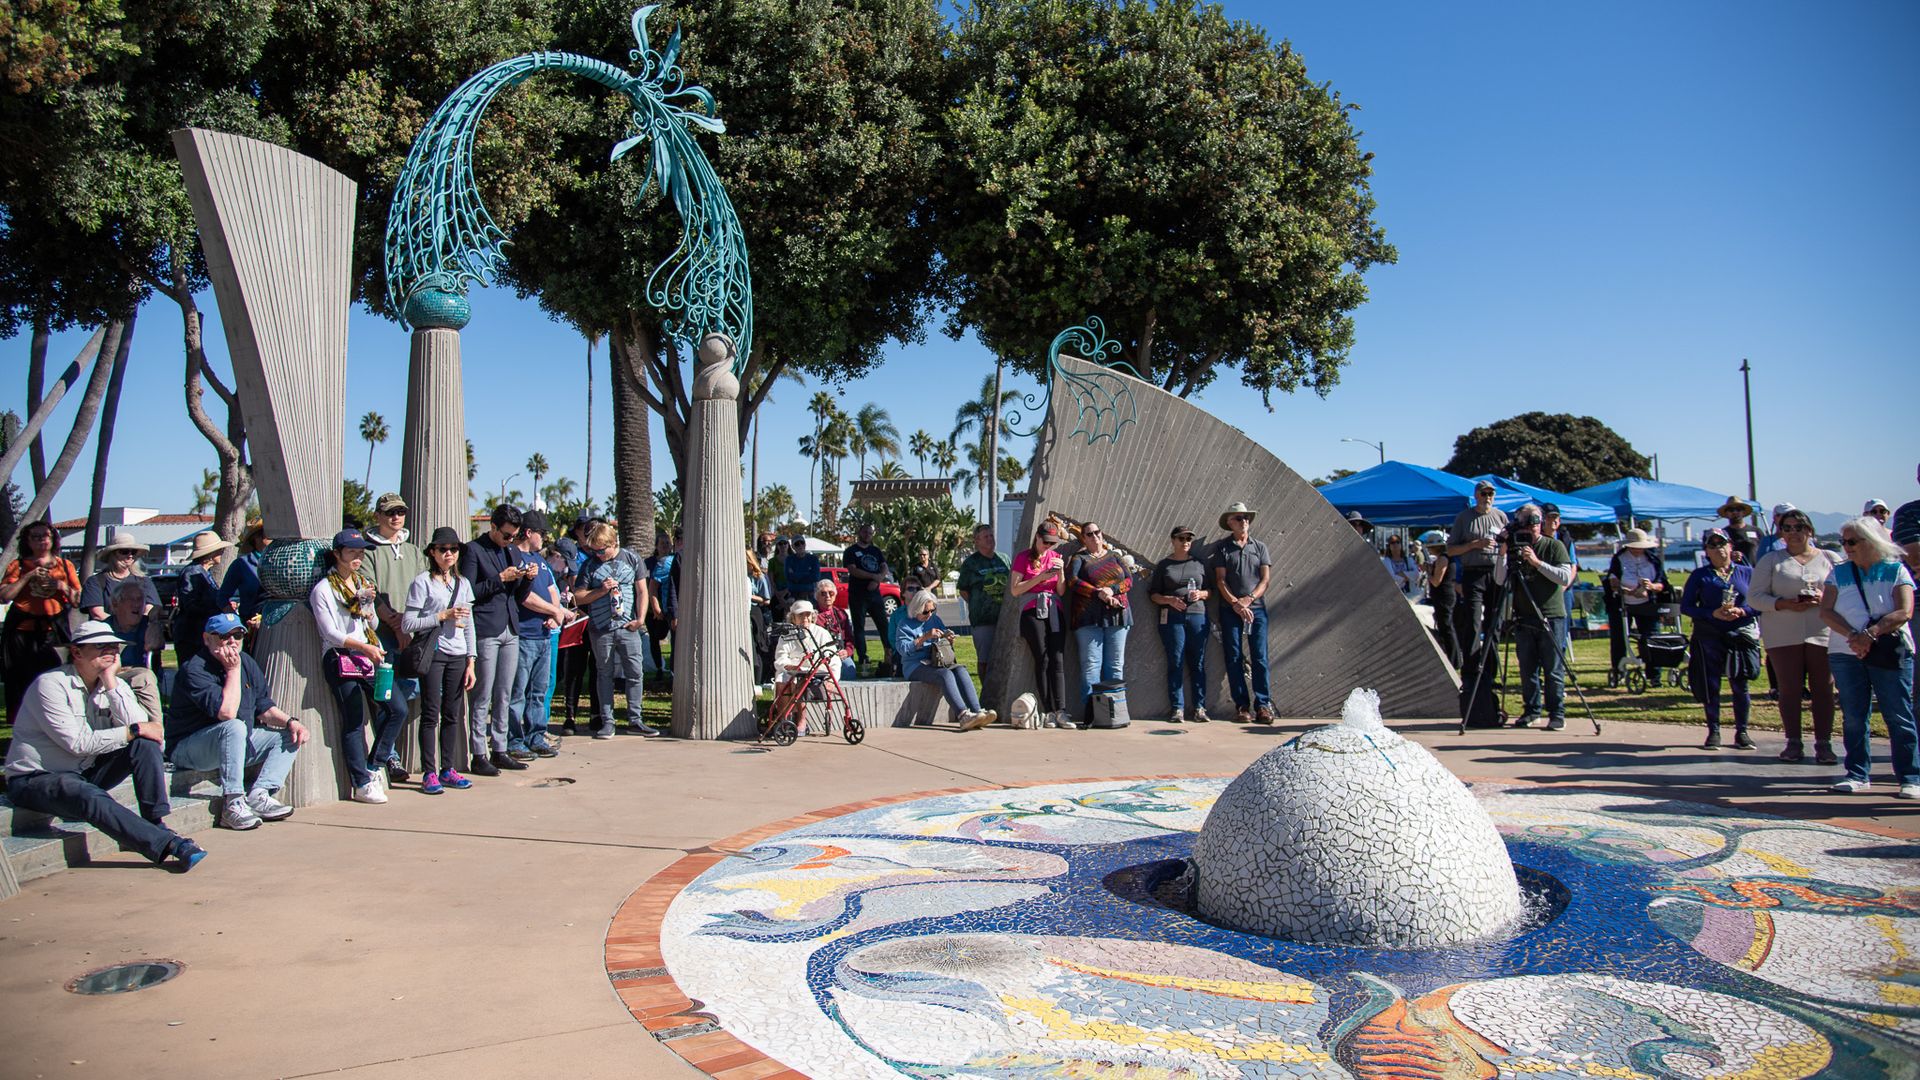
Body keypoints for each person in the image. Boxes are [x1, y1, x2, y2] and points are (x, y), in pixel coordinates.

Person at [6, 621, 205, 872]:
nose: (111, 652)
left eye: (115, 646)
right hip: (36, 778)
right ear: (77, 652)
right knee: (87, 793)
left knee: (143, 745)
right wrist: (132, 731)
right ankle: (171, 845)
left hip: (83, 771)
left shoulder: (113, 684)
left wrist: (112, 684)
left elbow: (146, 732)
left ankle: (155, 821)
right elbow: (77, 743)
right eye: (102, 647)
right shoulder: (51, 685)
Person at [167, 613, 310, 828]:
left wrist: (291, 721)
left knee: (290, 735)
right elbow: (227, 713)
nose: (233, 641)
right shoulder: (195, 669)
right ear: (207, 638)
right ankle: (232, 804)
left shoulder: (246, 662)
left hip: (233, 742)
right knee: (234, 726)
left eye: (238, 634)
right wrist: (232, 670)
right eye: (225, 636)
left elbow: (263, 706)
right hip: (188, 748)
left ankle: (260, 794)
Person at [1818, 517, 1916, 798]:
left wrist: (1870, 635)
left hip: (1889, 650)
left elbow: (1903, 612)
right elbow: (1826, 611)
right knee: (1853, 716)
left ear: (1871, 541)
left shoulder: (1896, 571)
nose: (1846, 548)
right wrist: (1853, 636)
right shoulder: (1838, 573)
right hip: (1846, 652)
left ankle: (1910, 776)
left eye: (1851, 542)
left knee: (1898, 714)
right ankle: (1857, 773)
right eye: (1843, 542)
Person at [1750, 507, 1843, 763]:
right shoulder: (1771, 560)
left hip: (1822, 631)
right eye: (1787, 528)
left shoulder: (1831, 558)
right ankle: (1793, 743)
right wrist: (1783, 603)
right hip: (1782, 632)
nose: (1792, 533)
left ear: (1809, 530)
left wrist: (1825, 598)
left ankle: (1824, 744)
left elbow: (1846, 592)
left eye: (1798, 528)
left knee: (1824, 688)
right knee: (1789, 689)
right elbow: (1754, 597)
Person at [309, 529, 392, 802]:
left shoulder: (362, 584)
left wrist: (367, 607)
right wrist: (363, 647)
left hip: (369, 657)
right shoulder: (324, 589)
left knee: (396, 707)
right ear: (337, 554)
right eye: (351, 552)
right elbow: (330, 633)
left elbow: (372, 624)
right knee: (354, 719)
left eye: (360, 552)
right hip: (340, 657)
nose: (357, 557)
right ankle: (361, 782)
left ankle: (374, 764)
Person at [404, 527, 478, 793]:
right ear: (432, 552)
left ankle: (448, 768)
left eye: (453, 549)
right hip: (433, 652)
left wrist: (471, 660)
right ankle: (429, 772)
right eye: (443, 549)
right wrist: (440, 616)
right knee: (430, 713)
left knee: (452, 713)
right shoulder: (422, 582)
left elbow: (469, 624)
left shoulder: (464, 583)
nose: (448, 554)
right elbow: (408, 623)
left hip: (458, 654)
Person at [1493, 506, 1576, 730]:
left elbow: (1564, 577)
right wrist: (1503, 551)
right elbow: (1500, 580)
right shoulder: (1514, 548)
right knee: (1527, 669)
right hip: (1524, 616)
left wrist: (1537, 562)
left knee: (1553, 668)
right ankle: (1531, 711)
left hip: (1551, 615)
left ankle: (1557, 713)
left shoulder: (1554, 545)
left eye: (1535, 523)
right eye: (1526, 524)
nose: (1532, 528)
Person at [1680, 528, 1763, 751]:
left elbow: (1759, 603)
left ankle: (1742, 732)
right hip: (1709, 634)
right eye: (1712, 545)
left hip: (1739, 634)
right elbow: (1686, 606)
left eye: (1722, 544)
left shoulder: (1747, 572)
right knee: (1711, 683)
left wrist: (1743, 611)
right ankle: (1713, 731)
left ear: (1730, 547)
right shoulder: (1700, 575)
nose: (1718, 549)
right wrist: (1710, 613)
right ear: (1706, 551)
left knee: (1740, 684)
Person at [461, 504, 529, 774]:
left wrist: (526, 579)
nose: (510, 540)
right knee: (482, 694)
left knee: (504, 692)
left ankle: (499, 748)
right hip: (486, 627)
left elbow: (518, 595)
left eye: (514, 535)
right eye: (506, 535)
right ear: (493, 527)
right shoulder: (473, 550)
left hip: (511, 627)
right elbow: (469, 591)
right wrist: (500, 578)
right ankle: (479, 752)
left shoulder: (512, 550)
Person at [363, 493, 425, 784]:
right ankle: (386, 756)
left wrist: (412, 626)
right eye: (389, 513)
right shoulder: (368, 552)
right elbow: (370, 595)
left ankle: (391, 752)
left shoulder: (414, 552)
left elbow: (424, 589)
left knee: (409, 693)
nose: (396, 517)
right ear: (378, 516)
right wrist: (397, 625)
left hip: (413, 636)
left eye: (400, 511)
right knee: (387, 699)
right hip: (382, 639)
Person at [573, 522, 655, 740]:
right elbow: (578, 596)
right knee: (604, 673)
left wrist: (640, 619)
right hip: (601, 629)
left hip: (628, 626)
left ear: (613, 543)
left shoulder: (631, 558)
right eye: (594, 550)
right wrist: (601, 591)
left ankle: (635, 719)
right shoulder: (589, 566)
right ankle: (607, 721)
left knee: (635, 673)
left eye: (601, 550)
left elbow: (642, 591)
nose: (598, 554)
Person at [2, 520, 82, 719]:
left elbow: (78, 600)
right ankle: (21, 725)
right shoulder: (18, 565)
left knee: (55, 678)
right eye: (35, 537)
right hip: (22, 632)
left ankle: (56, 720)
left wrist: (61, 586)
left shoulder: (65, 565)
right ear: (27, 541)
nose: (41, 541)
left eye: (44, 536)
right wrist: (28, 576)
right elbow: (5, 596)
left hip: (53, 631)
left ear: (52, 539)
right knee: (21, 681)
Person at [507, 510, 565, 760]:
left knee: (539, 691)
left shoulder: (539, 560)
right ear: (529, 533)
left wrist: (556, 613)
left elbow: (551, 588)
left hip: (544, 635)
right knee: (518, 691)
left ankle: (536, 736)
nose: (544, 539)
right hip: (524, 635)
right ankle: (514, 739)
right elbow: (525, 597)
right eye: (541, 533)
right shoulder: (515, 557)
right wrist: (554, 610)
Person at [1211, 502, 1274, 724]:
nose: (1243, 521)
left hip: (1256, 609)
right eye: (1238, 518)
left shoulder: (1259, 547)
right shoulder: (1223, 548)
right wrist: (1236, 603)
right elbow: (1220, 580)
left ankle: (1263, 705)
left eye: (1246, 517)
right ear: (1230, 523)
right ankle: (1242, 705)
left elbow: (1265, 579)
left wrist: (1249, 599)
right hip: (1230, 610)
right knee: (1234, 656)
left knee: (1260, 656)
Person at [896, 589, 993, 731]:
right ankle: (963, 715)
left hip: (937, 660)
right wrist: (924, 637)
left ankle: (977, 711)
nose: (929, 615)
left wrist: (948, 638)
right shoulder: (905, 624)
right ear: (916, 608)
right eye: (925, 612)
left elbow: (942, 639)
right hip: (915, 665)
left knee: (960, 669)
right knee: (945, 675)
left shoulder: (935, 620)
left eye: (932, 610)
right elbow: (902, 649)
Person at [1069, 522, 1133, 716]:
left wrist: (1111, 590)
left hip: (1118, 617)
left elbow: (1128, 581)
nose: (1094, 536)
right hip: (1088, 619)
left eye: (1097, 532)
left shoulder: (1115, 557)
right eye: (1089, 534)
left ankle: (1116, 713)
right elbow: (1073, 581)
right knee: (1091, 666)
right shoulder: (1079, 558)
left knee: (1114, 666)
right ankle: (1093, 714)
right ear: (1084, 538)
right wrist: (1098, 593)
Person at [1011, 521, 1070, 728]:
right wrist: (1041, 577)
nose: (1048, 546)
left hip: (1054, 609)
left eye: (1052, 543)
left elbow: (1061, 591)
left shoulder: (1056, 558)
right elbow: (1015, 590)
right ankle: (1048, 711)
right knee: (1042, 659)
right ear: (1037, 537)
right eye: (1045, 541)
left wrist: (1061, 572)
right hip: (1031, 610)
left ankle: (1061, 710)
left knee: (1058, 659)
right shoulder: (1023, 558)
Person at [1150, 526, 1210, 723]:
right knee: (1175, 661)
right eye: (1181, 538)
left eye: (1188, 539)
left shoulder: (1199, 564)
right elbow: (1153, 595)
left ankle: (1200, 707)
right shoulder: (1165, 565)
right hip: (1172, 618)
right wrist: (1169, 600)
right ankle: (1177, 708)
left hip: (1197, 615)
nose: (1185, 542)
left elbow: (1210, 591)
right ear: (1173, 541)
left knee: (1198, 662)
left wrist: (1200, 594)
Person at [1447, 481, 1508, 664]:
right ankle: (1472, 670)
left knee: (1494, 623)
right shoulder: (1464, 518)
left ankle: (1491, 669)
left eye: (1491, 494)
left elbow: (1509, 542)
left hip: (1496, 572)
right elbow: (1450, 550)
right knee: (1473, 623)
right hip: (1473, 573)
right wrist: (1475, 545)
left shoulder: (1501, 516)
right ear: (1476, 496)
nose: (1487, 498)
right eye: (1484, 494)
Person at [771, 600, 852, 723]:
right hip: (792, 670)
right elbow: (781, 657)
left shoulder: (821, 633)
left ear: (812, 616)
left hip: (816, 672)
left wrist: (832, 679)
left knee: (802, 680)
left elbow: (833, 658)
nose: (805, 618)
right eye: (800, 615)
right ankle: (783, 720)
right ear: (793, 617)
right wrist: (789, 665)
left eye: (807, 614)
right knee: (782, 679)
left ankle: (801, 721)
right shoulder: (786, 634)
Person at [171, 531, 235, 670]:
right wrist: (218, 608)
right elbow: (191, 604)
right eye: (220, 550)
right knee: (192, 670)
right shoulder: (193, 572)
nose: (222, 552)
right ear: (210, 553)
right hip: (192, 636)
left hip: (200, 634)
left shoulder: (204, 573)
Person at [1606, 528, 1668, 670]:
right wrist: (1628, 591)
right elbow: (1613, 583)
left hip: (1648, 603)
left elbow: (1662, 584)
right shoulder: (1619, 559)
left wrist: (1651, 586)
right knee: (1620, 638)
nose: (1637, 550)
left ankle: (1654, 674)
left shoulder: (1653, 559)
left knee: (1651, 637)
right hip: (1623, 604)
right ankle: (1619, 670)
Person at [956, 525, 1011, 679]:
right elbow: (963, 590)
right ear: (977, 541)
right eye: (985, 537)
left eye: (991, 536)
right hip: (983, 621)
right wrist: (979, 604)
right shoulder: (970, 564)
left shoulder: (1004, 559)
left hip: (1004, 618)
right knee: (985, 659)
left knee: (1005, 658)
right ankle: (986, 693)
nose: (990, 539)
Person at [79, 529, 158, 625]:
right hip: (106, 636)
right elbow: (97, 614)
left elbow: (150, 610)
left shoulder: (144, 581)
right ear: (112, 554)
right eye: (124, 551)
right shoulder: (95, 582)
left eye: (133, 552)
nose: (130, 556)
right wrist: (123, 627)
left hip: (138, 637)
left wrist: (135, 627)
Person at [842, 523, 892, 672]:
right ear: (859, 532)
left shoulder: (875, 550)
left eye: (870, 533)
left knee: (884, 625)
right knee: (859, 628)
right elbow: (853, 570)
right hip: (858, 594)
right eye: (864, 532)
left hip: (875, 594)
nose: (867, 535)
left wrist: (877, 580)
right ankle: (863, 658)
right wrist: (872, 576)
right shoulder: (851, 551)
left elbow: (884, 567)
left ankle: (889, 655)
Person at [215, 520, 271, 628]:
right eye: (268, 533)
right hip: (252, 628)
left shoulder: (281, 562)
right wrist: (237, 622)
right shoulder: (242, 564)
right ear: (256, 537)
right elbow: (222, 598)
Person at [1421, 530, 1458, 667]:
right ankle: (1453, 657)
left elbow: (1436, 581)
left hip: (1444, 596)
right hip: (1444, 595)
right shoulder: (1445, 558)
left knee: (1447, 627)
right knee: (1446, 627)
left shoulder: (1443, 559)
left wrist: (1428, 572)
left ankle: (1454, 659)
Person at [812, 579, 858, 681]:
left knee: (849, 669)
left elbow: (850, 639)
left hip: (840, 654)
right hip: (821, 656)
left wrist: (847, 651)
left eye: (831, 593)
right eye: (823, 593)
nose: (827, 596)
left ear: (835, 595)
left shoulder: (841, 614)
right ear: (817, 596)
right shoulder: (812, 615)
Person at [644, 530, 675, 677]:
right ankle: (659, 668)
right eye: (662, 543)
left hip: (669, 606)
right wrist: (654, 606)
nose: (665, 546)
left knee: (667, 634)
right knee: (654, 637)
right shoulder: (649, 563)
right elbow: (647, 585)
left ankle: (674, 668)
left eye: (667, 543)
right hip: (652, 609)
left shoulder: (675, 560)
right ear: (656, 546)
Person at [748, 548, 774, 684]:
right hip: (745, 610)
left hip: (756, 611)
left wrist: (749, 596)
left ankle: (758, 680)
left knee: (758, 645)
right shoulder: (741, 575)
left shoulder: (759, 577)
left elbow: (766, 600)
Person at [783, 531, 823, 603]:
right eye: (797, 544)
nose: (800, 545)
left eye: (802, 542)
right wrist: (807, 574)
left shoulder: (813, 559)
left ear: (805, 544)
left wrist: (796, 575)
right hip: (793, 596)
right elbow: (788, 576)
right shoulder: (789, 559)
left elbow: (816, 577)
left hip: (810, 596)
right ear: (793, 547)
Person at [1718, 499, 1759, 565]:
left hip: (1755, 572)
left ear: (1744, 512)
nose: (1735, 512)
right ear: (1726, 513)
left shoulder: (1756, 531)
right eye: (1731, 510)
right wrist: (1730, 556)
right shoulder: (1722, 534)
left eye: (1738, 509)